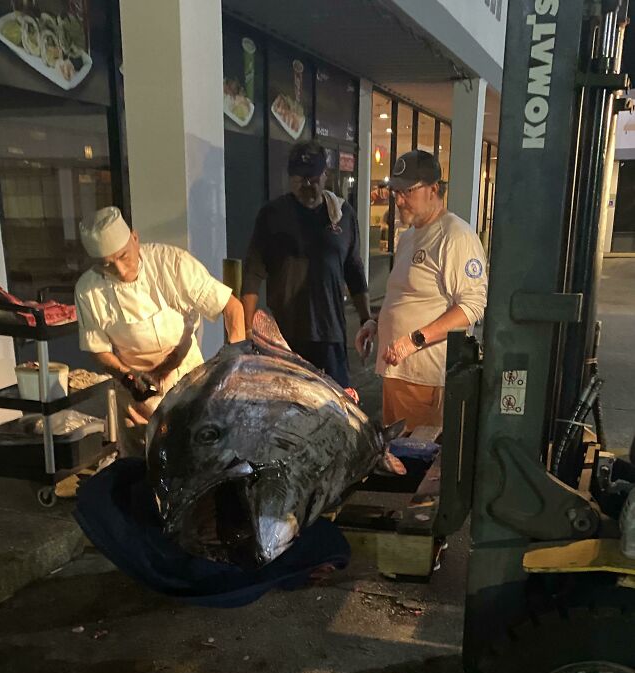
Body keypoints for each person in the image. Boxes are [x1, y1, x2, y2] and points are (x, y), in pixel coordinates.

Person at [74, 206, 245, 456]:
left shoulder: (172, 264)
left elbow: (232, 308)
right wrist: (128, 377)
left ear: (135, 238)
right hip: (135, 390)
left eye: (123, 257)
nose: (120, 271)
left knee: (195, 454)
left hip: (186, 377)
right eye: (107, 265)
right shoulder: (87, 290)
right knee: (141, 464)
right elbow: (98, 349)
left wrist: (234, 365)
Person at [356, 150, 487, 430]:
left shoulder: (455, 236)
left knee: (418, 459)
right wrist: (374, 324)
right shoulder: (409, 236)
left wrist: (412, 341)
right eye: (395, 191)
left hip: (424, 375)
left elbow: (472, 306)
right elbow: (404, 295)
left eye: (407, 192)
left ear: (433, 190)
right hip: (398, 370)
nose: (399, 200)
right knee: (397, 453)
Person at [241, 141, 372, 389]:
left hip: (330, 334)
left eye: (313, 178)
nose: (307, 185)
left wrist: (366, 320)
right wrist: (248, 331)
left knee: (335, 404)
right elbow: (252, 273)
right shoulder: (272, 215)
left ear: (326, 175)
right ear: (290, 179)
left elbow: (354, 270)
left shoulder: (343, 215)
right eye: (300, 179)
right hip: (282, 338)